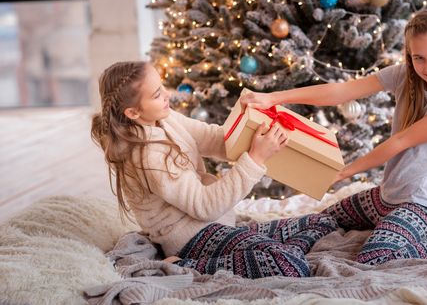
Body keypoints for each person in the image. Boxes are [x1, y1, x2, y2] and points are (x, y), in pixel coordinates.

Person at [241, 9, 427, 265]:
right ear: (410, 56)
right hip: (385, 197)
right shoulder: (405, 74)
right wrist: (274, 98)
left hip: (421, 204)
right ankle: (246, 236)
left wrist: (342, 173)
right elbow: (342, 92)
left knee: (375, 258)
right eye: (419, 58)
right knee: (319, 221)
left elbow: (400, 142)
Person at [92, 60, 348, 279]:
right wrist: (255, 158)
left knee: (322, 222)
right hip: (192, 239)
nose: (167, 94)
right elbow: (205, 206)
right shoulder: (148, 155)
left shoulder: (163, 118)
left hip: (220, 224)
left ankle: (262, 249)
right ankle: (182, 265)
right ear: (133, 112)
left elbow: (215, 139)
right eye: (157, 94)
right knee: (290, 265)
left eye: (162, 87)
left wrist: (249, 126)